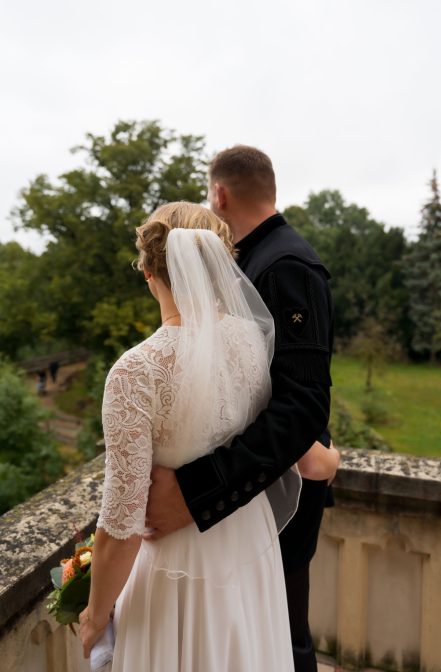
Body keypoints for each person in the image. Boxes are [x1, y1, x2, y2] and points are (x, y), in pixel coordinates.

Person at [78, 202, 339, 672]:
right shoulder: (252, 340)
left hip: (179, 571)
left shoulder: (135, 371)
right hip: (250, 549)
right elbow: (289, 438)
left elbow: (122, 523)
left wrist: (95, 614)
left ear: (148, 273)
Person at [144, 147, 336, 672]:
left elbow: (302, 405)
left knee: (284, 634)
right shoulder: (249, 261)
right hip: (249, 491)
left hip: (273, 489)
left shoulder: (285, 265)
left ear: (219, 194)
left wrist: (195, 494)